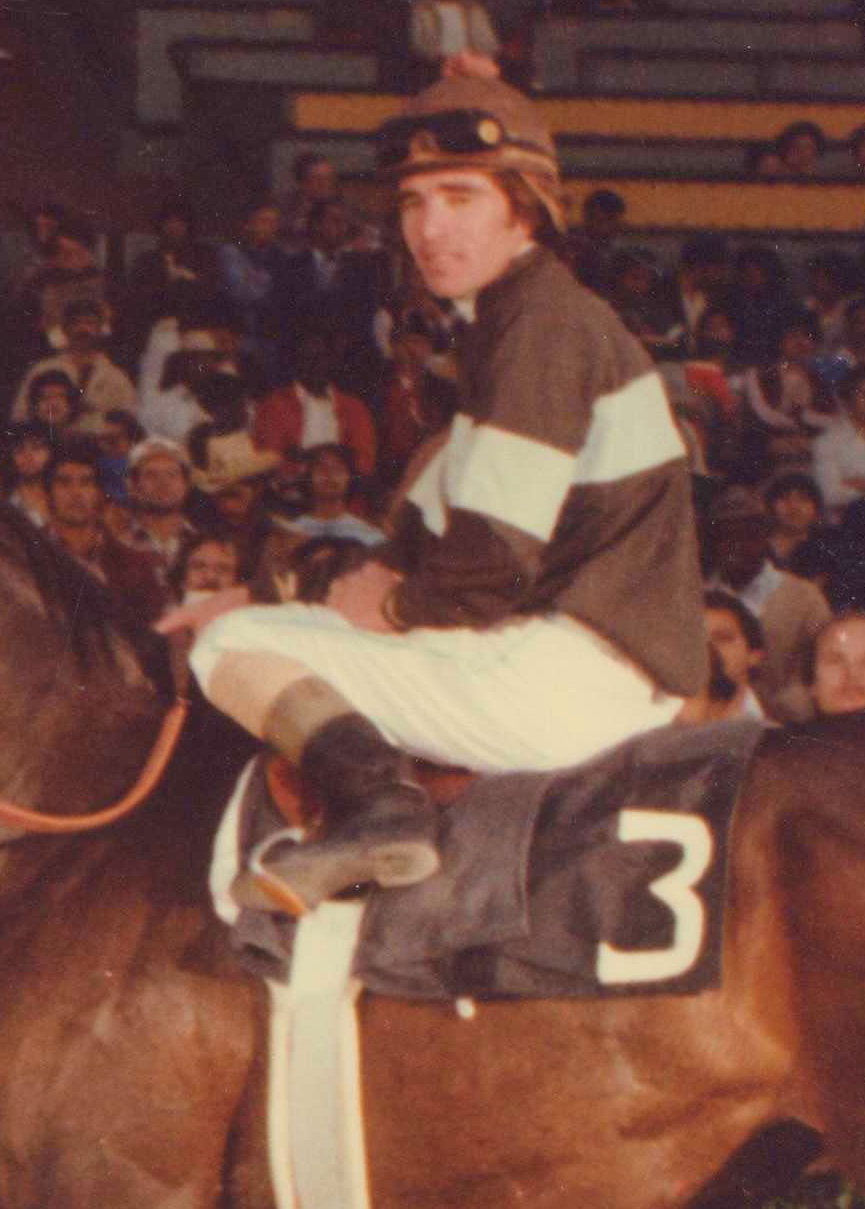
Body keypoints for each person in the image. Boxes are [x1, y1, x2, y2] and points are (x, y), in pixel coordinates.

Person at [184, 76, 707, 910]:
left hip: (568, 673)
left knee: (230, 648)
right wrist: (285, 589)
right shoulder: (512, 323)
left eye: (460, 197)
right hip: (560, 653)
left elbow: (488, 558)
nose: (430, 227)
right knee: (256, 621)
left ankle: (379, 813)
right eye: (413, 203)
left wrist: (385, 611)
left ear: (524, 208)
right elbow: (413, 552)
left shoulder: (539, 325)